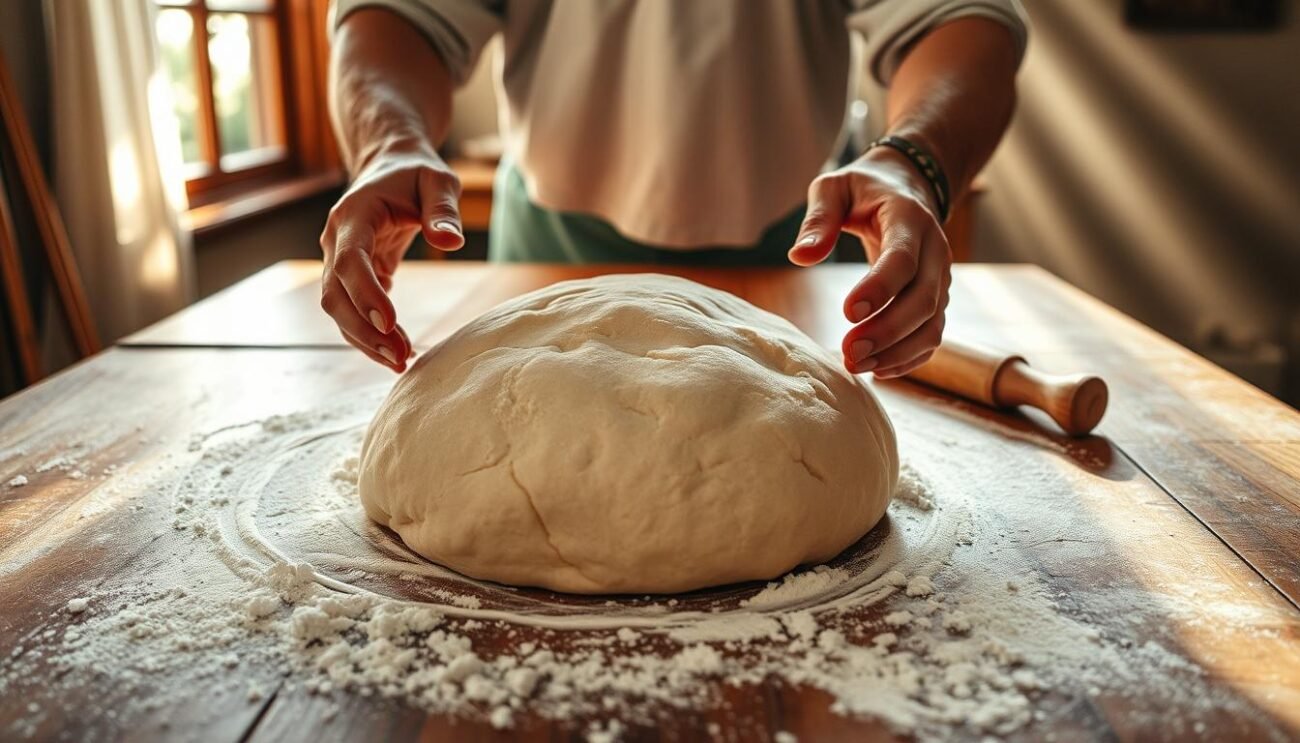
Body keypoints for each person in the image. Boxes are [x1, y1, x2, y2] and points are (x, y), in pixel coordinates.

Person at [319, 0, 1026, 378]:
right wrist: (389, 145)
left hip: (797, 250)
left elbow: (961, 16)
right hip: (550, 248)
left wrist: (912, 161)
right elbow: (397, 14)